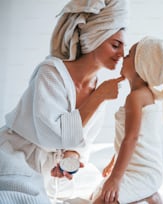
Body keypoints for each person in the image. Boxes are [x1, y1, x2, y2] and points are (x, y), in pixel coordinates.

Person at [0, 0, 129, 203]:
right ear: (94, 39)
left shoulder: (98, 86)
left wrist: (71, 158)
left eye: (123, 47)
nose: (122, 54)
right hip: (17, 157)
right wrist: (98, 97)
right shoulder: (51, 72)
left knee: (106, 192)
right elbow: (53, 135)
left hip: (52, 173)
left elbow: (80, 143)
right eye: (115, 45)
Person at [91, 36, 163, 204]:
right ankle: (149, 195)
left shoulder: (136, 97)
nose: (123, 56)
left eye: (129, 55)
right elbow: (130, 141)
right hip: (140, 170)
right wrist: (114, 163)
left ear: (142, 65)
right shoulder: (145, 96)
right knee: (98, 192)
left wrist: (116, 178)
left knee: (102, 200)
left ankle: (147, 193)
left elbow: (131, 139)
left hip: (143, 173)